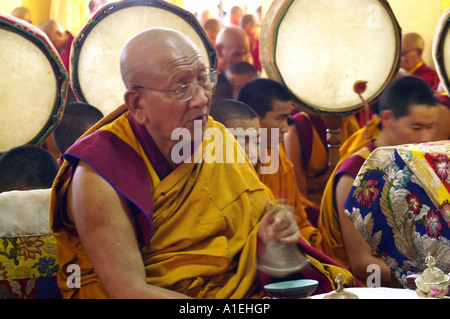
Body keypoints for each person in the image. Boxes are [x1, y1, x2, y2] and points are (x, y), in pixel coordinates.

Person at [50, 27, 356, 299]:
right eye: (181, 88)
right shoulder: (99, 171)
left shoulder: (217, 138)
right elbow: (129, 290)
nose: (200, 99)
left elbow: (249, 232)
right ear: (137, 105)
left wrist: (268, 235)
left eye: (203, 80)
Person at [318, 76, 439, 287]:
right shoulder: (357, 174)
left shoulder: (418, 160)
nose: (425, 136)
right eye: (417, 127)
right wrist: (428, 281)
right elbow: (362, 264)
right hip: (366, 286)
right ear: (387, 118)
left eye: (431, 127)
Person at [236, 78, 322, 247]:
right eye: (279, 119)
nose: (285, 128)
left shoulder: (275, 152)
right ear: (253, 118)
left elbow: (297, 214)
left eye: (287, 119)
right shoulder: (225, 159)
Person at [283, 112, 360, 223]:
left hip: (345, 202)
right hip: (313, 210)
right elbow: (300, 197)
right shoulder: (298, 128)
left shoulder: (349, 123)